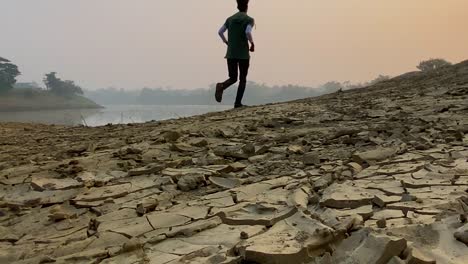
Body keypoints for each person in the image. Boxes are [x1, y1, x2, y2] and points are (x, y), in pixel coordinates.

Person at [215, 0, 255, 108]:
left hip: (231, 53)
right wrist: (252, 43)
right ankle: (237, 103)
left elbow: (220, 32)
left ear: (238, 7)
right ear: (246, 7)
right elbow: (247, 32)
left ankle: (221, 86)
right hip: (243, 54)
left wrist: (226, 42)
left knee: (233, 78)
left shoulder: (230, 19)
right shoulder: (249, 19)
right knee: (242, 79)